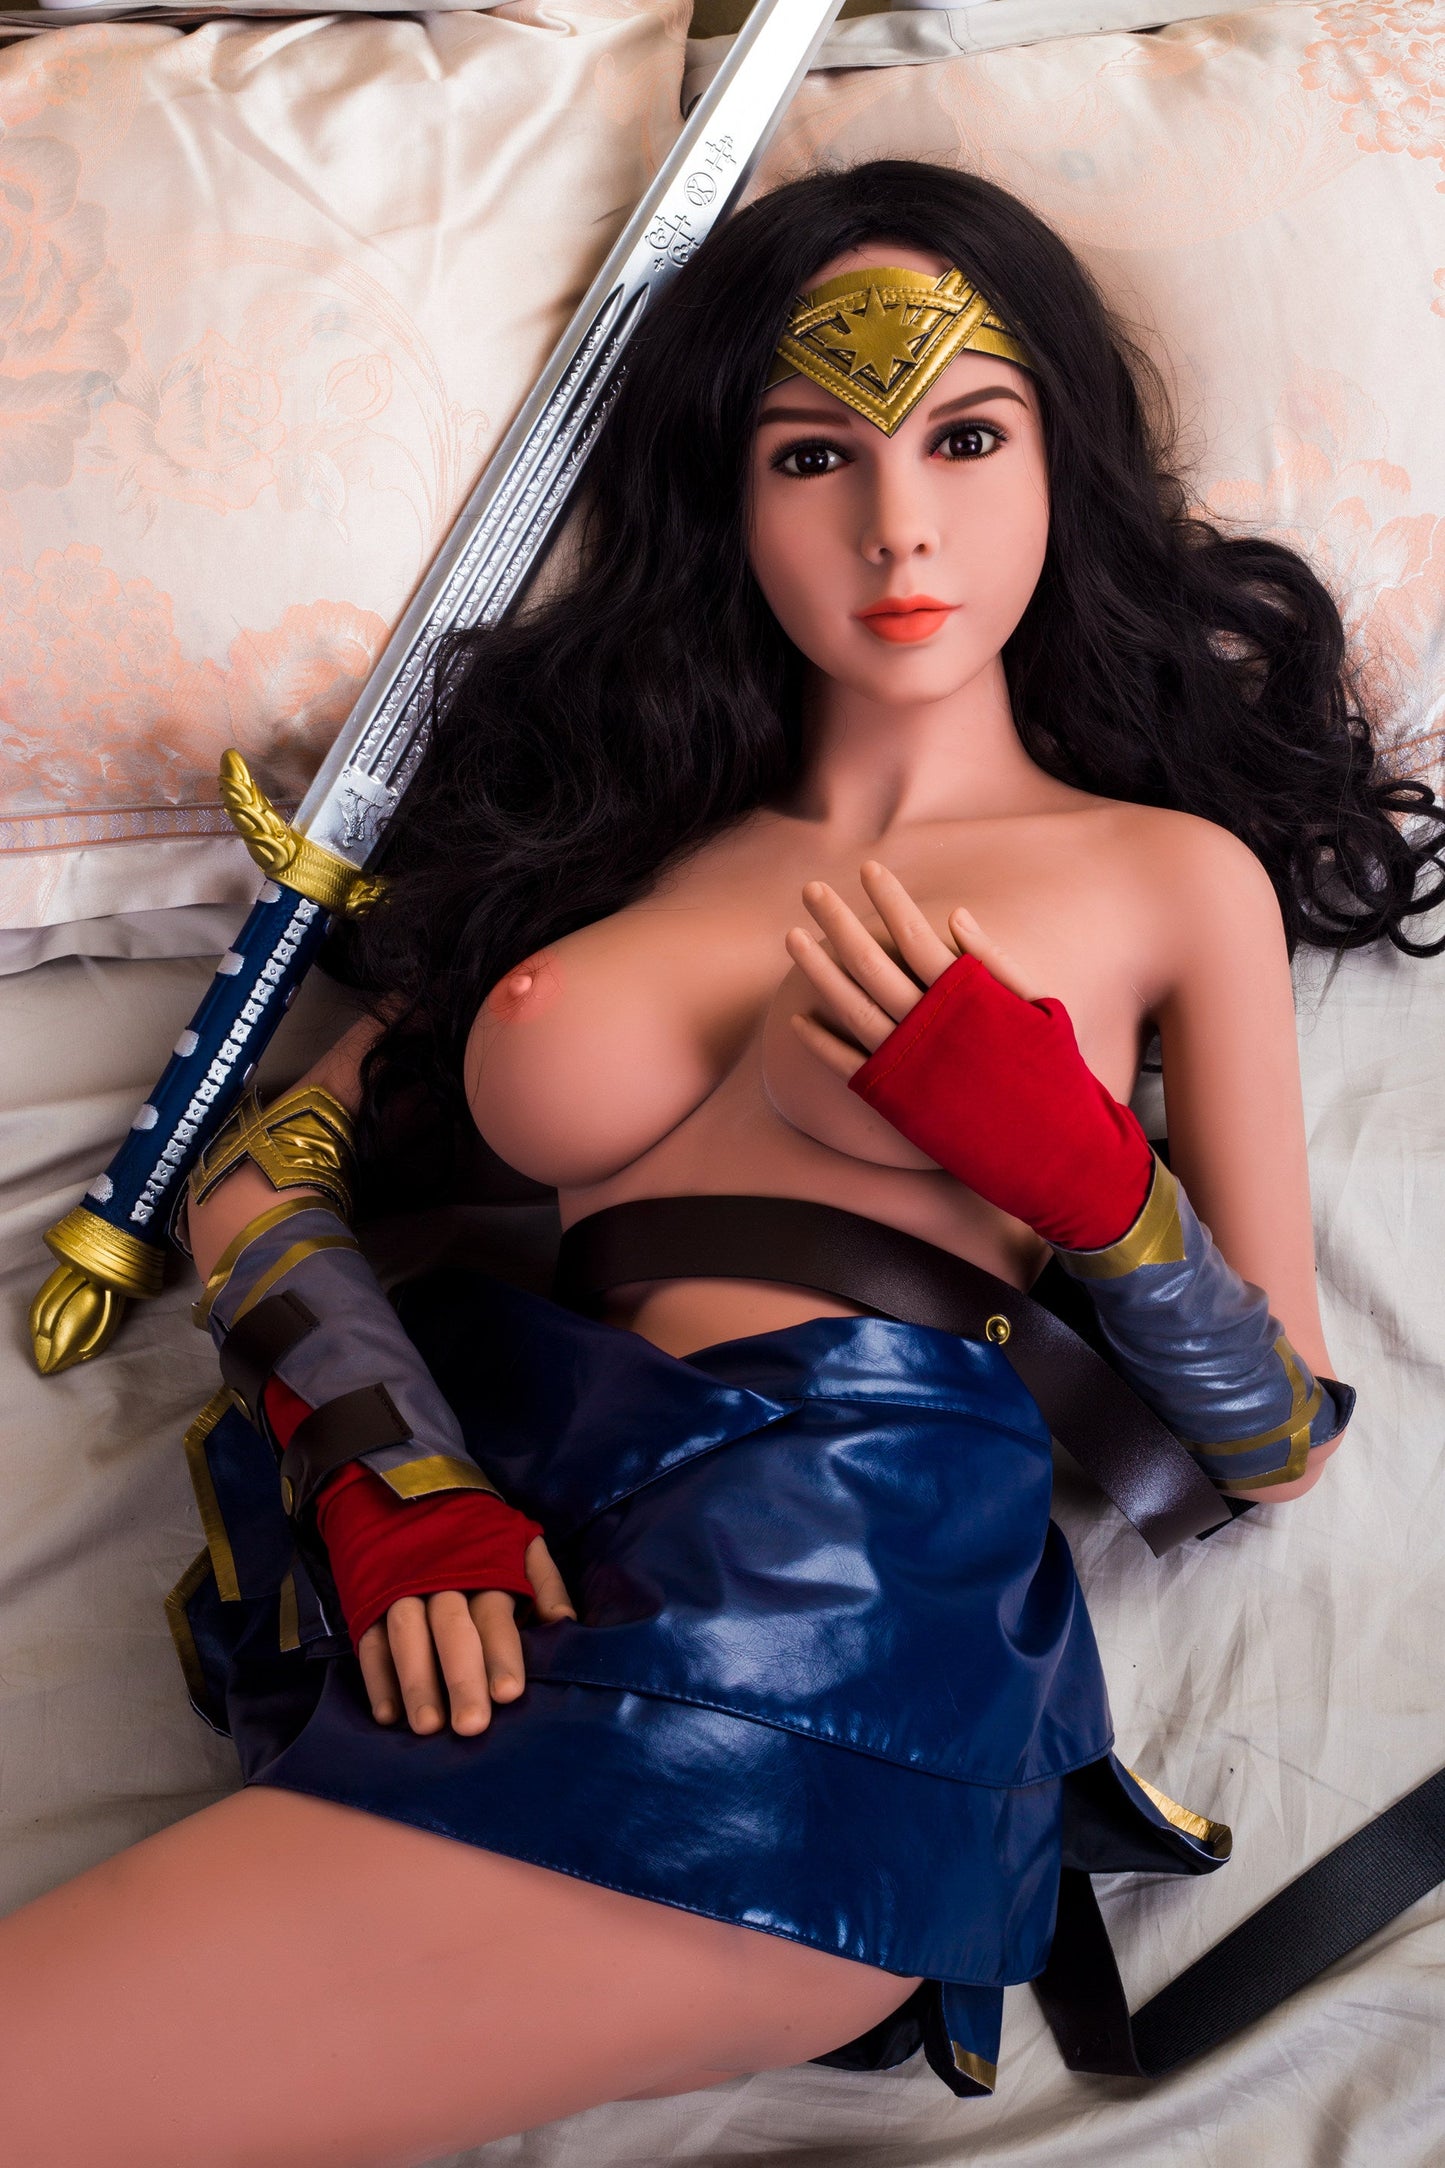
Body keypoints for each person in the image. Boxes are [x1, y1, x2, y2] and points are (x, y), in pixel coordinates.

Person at [2, 161, 1440, 2168]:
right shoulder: (596, 842)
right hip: (506, 1586)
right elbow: (269, 1173)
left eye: (965, 437)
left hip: (819, 1633)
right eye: (811, 455)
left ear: (1064, 460)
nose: (896, 525)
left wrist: (1089, 1178)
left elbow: (1275, 1439)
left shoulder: (1158, 874)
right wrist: (394, 1478)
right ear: (728, 497)